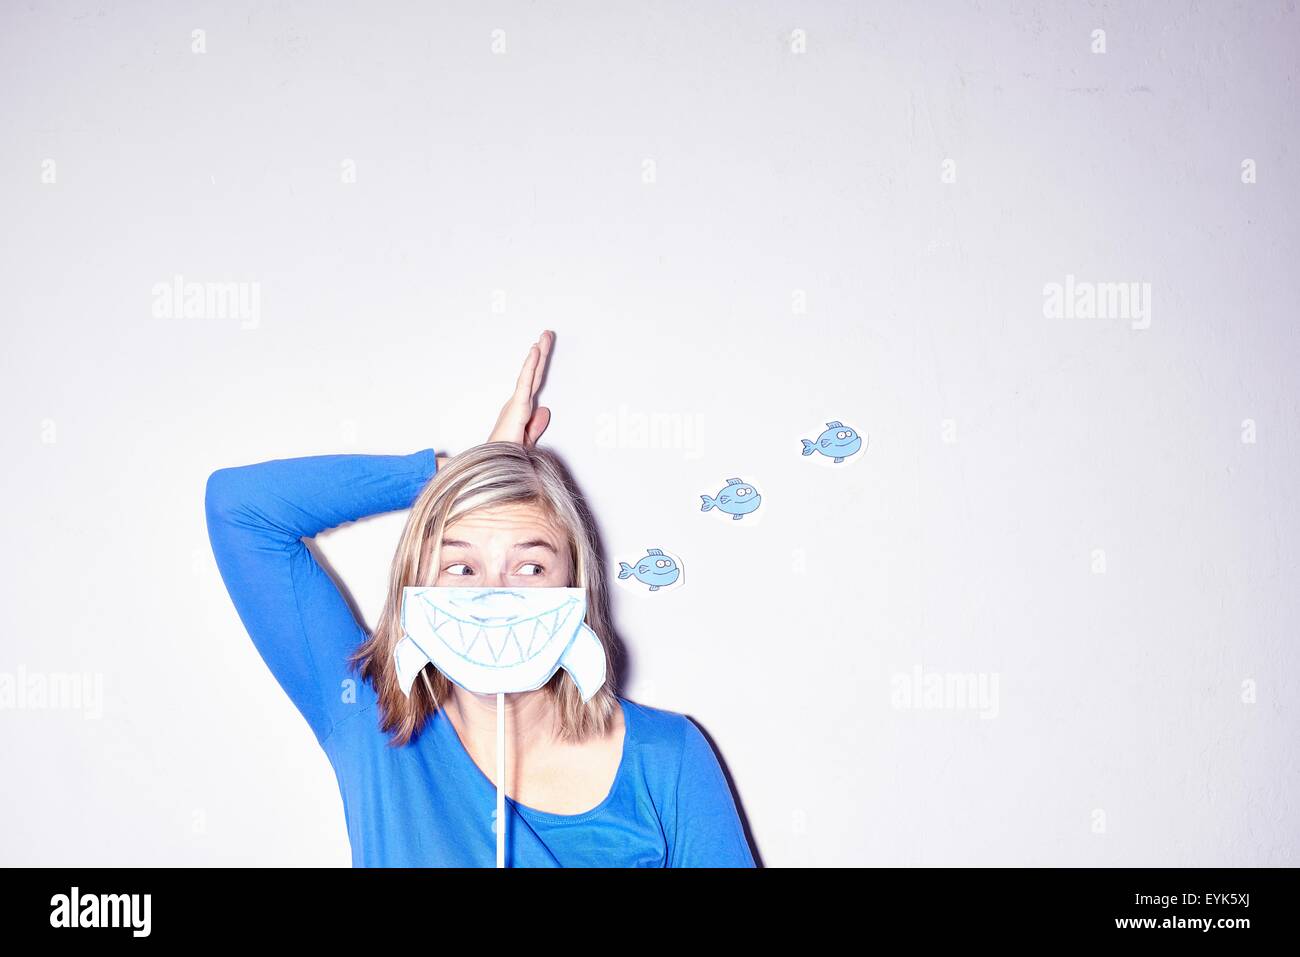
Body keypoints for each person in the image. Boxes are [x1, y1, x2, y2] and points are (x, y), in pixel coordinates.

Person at [203, 330, 756, 867]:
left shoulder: (668, 760)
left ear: (575, 589)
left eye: (530, 565)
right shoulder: (368, 722)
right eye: (462, 566)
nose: (495, 594)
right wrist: (463, 474)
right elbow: (241, 508)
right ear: (416, 591)